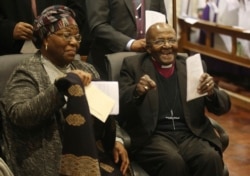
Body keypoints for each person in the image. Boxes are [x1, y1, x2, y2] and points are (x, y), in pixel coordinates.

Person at [0, 5, 129, 176]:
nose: (74, 42)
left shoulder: (87, 69)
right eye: (66, 35)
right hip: (48, 158)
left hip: (90, 153)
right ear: (45, 38)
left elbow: (106, 110)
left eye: (76, 36)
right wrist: (61, 87)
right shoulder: (27, 71)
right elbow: (19, 115)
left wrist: (117, 140)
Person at [118, 22, 231, 176]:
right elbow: (120, 105)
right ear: (148, 47)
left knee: (209, 157)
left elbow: (223, 106)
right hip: (153, 136)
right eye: (159, 41)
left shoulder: (192, 66)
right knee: (172, 161)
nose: (167, 46)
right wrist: (137, 91)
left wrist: (211, 92)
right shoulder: (133, 66)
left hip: (190, 134)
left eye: (172, 40)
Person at [86, 0, 167, 80]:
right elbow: (98, 25)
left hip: (147, 64)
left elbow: (163, 25)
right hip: (107, 65)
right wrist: (130, 44)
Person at [0, 0, 88, 56]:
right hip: (11, 52)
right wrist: (10, 29)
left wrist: (59, 26)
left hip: (59, 51)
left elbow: (78, 12)